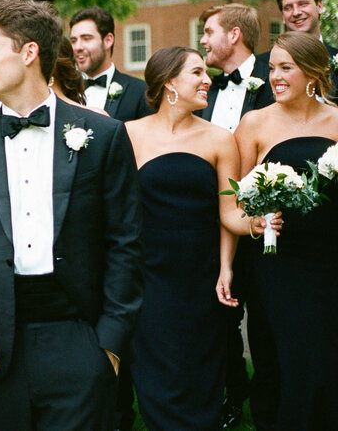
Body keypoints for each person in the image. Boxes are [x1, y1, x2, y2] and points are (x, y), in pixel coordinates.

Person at [0, 0, 143, 430]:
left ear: (29, 52)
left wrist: (108, 347)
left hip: (78, 337)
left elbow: (125, 243)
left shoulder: (103, 135)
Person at [125, 46, 276, 431]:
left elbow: (229, 213)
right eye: (197, 72)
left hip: (201, 271)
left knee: (201, 370)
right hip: (149, 271)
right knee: (157, 370)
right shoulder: (129, 135)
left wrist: (251, 230)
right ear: (168, 82)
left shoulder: (220, 139)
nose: (207, 80)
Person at [231, 31, 338, 429]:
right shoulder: (255, 122)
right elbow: (237, 198)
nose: (274, 76)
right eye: (271, 67)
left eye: (285, 68)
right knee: (283, 358)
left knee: (325, 358)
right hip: (276, 265)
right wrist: (255, 220)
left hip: (328, 263)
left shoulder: (337, 120)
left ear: (312, 72)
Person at [195, 2, 276, 427]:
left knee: (263, 318)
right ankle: (230, 395)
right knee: (220, 316)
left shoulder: (273, 83)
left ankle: (268, 400)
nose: (202, 40)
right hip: (212, 221)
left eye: (208, 31)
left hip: (264, 222)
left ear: (234, 36)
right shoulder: (203, 88)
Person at [69, 6, 152, 122]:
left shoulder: (140, 91)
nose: (77, 47)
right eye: (73, 41)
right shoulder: (65, 90)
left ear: (108, 40)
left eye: (86, 38)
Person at [256, 0, 338, 94]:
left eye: (303, 4)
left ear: (319, 7)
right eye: (288, 8)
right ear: (283, 16)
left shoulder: (336, 57)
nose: (296, 12)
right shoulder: (260, 65)